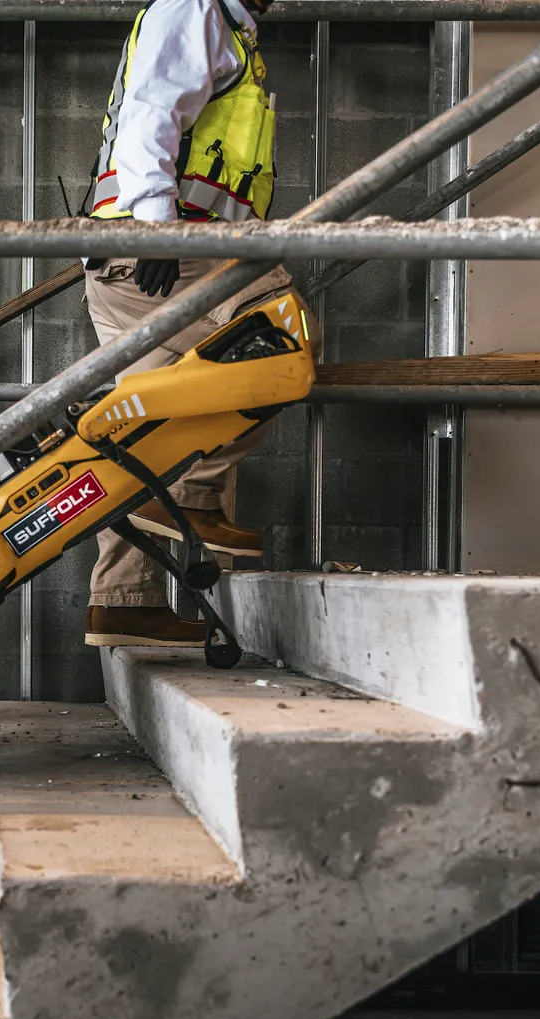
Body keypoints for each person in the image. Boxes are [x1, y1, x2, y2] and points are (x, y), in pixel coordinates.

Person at [82, 0, 306, 649]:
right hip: (174, 248)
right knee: (281, 336)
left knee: (152, 428)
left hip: (137, 253)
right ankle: (196, 497)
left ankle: (123, 602)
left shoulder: (228, 27)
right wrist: (157, 229)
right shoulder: (195, 6)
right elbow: (151, 111)